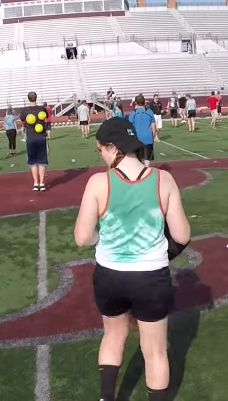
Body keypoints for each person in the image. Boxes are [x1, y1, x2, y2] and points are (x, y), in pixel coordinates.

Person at [74, 117, 191, 401]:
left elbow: (82, 237)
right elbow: (182, 235)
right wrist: (163, 251)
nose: (100, 155)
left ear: (113, 148)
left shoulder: (98, 182)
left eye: (100, 149)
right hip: (151, 277)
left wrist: (102, 240)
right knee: (155, 351)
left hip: (109, 276)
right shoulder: (164, 179)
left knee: (113, 337)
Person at [20, 92, 50, 191]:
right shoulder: (42, 109)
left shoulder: (24, 110)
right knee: (42, 160)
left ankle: (35, 183)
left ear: (28, 99)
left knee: (33, 161)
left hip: (31, 137)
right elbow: (46, 117)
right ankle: (41, 183)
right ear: (36, 98)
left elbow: (23, 121)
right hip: (41, 137)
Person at [128, 95, 156, 166]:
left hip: (137, 138)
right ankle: (146, 171)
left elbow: (129, 127)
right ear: (144, 101)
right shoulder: (149, 112)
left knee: (138, 158)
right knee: (147, 158)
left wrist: (130, 137)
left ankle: (140, 173)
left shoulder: (133, 113)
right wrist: (153, 136)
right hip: (148, 137)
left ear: (136, 103)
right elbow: (153, 126)